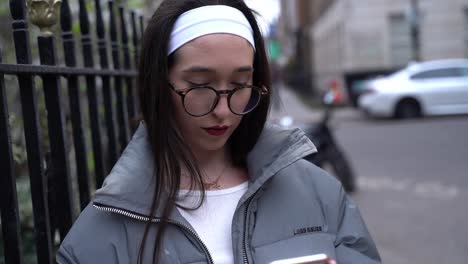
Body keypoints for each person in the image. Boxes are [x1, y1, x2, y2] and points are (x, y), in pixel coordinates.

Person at [57, 0, 381, 263]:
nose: (223, 111)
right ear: (159, 84)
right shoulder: (102, 233)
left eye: (240, 85)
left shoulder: (320, 194)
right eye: (200, 85)